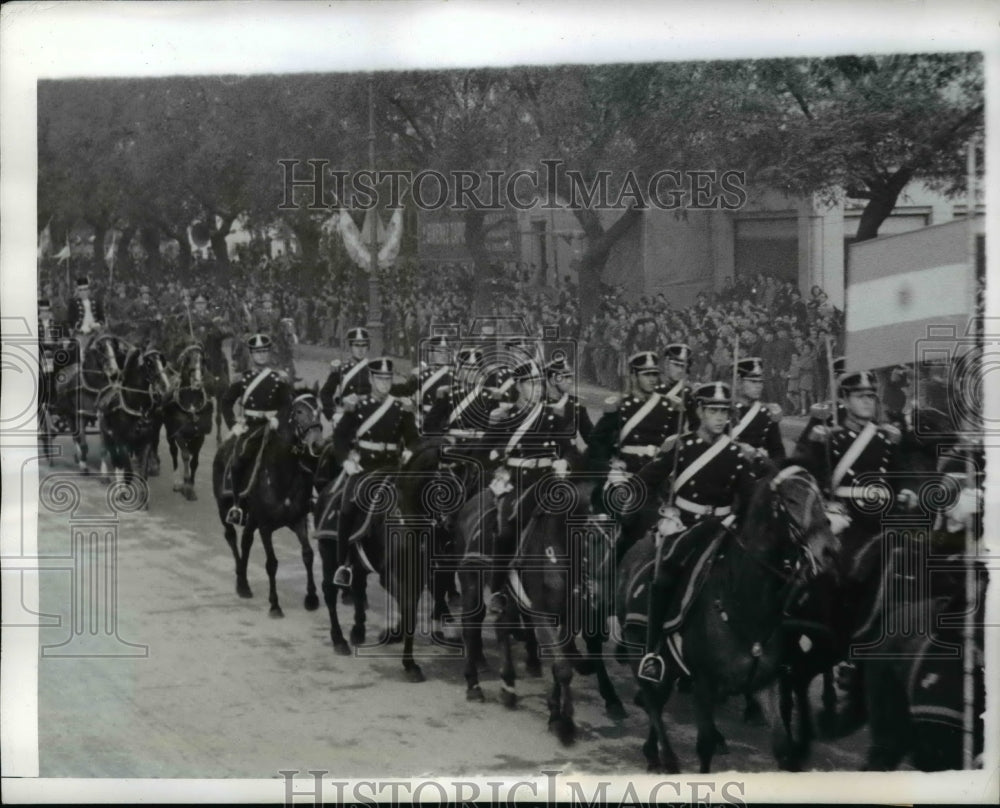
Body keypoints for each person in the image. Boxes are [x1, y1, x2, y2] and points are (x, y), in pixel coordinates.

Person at [626, 381, 756, 683]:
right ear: (699, 411)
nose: (720, 417)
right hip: (685, 524)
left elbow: (749, 498)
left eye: (725, 411)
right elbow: (647, 478)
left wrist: (738, 520)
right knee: (663, 575)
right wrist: (643, 503)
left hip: (723, 529)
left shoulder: (736, 454)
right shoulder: (680, 447)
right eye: (713, 410)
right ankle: (653, 650)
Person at [331, 358, 419, 588]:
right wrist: (345, 461)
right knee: (347, 507)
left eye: (388, 378)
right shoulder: (357, 406)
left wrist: (410, 451)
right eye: (380, 378)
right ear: (371, 379)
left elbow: (413, 438)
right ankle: (344, 563)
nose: (384, 383)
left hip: (393, 467)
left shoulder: (401, 407)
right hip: (365, 468)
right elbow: (339, 438)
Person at [219, 334, 294, 526]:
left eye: (264, 352)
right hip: (251, 427)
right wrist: (234, 424)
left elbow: (287, 404)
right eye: (257, 352)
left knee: (294, 455)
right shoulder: (242, 378)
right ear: (251, 354)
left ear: (269, 353)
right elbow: (226, 402)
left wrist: (278, 418)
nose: (261, 356)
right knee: (238, 460)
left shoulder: (278, 378)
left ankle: (298, 502)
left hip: (273, 426)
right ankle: (237, 504)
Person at [319, 327, 373, 426]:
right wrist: (333, 414)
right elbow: (325, 393)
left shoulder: (374, 370)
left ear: (368, 347)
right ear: (350, 347)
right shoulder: (341, 369)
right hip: (346, 416)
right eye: (356, 345)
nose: (360, 349)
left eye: (364, 345)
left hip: (370, 417)